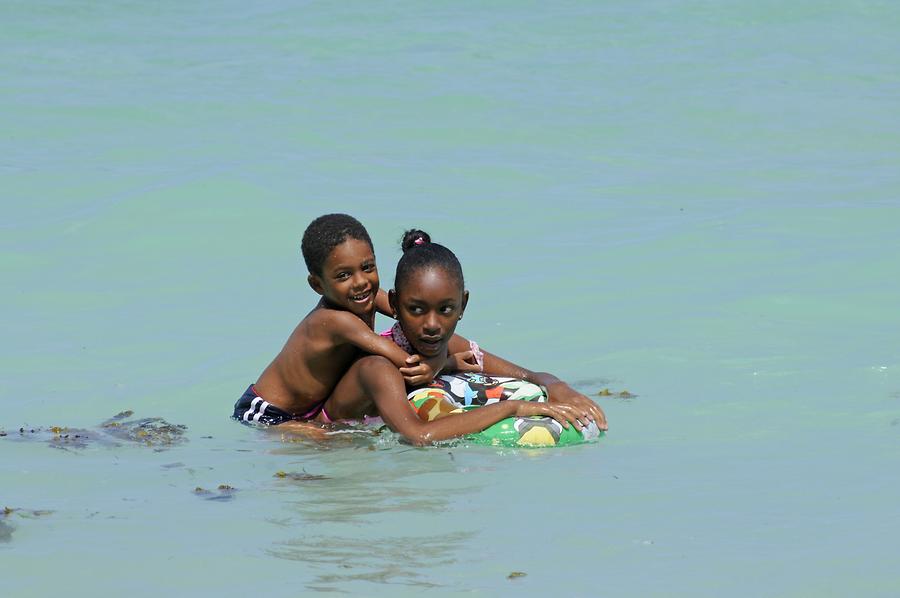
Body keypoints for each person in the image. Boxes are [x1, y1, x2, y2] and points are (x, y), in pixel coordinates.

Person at [319, 229, 607, 444]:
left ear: (463, 306)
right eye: (416, 309)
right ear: (393, 305)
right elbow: (420, 436)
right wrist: (514, 407)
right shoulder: (378, 367)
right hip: (323, 445)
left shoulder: (445, 344)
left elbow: (524, 374)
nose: (432, 325)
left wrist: (556, 385)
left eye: (445, 309)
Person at [232, 214, 450, 427]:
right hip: (268, 410)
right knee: (321, 441)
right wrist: (445, 362)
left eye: (367, 267)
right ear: (318, 285)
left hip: (311, 407)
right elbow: (405, 362)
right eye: (343, 275)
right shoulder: (334, 320)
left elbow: (412, 316)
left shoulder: (366, 296)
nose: (360, 282)